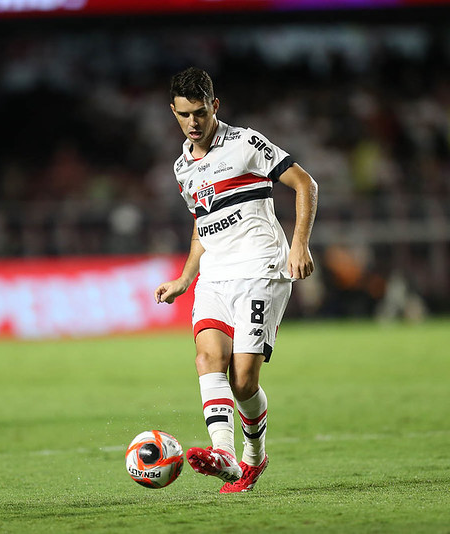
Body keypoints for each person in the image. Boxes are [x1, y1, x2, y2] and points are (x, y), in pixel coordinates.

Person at [154, 68, 318, 493]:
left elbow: (305, 183)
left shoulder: (245, 143)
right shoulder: (181, 168)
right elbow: (201, 225)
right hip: (215, 277)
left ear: (215, 106)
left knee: (244, 379)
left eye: (201, 112)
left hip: (261, 269)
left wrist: (299, 245)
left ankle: (253, 458)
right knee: (208, 359)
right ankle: (223, 454)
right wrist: (185, 277)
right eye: (185, 114)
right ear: (173, 112)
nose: (194, 122)